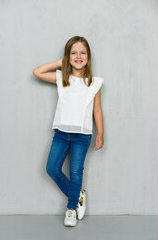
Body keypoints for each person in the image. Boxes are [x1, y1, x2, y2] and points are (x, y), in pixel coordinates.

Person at [32, 36, 104, 227]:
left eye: (82, 52)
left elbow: (97, 109)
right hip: (61, 133)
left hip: (82, 135)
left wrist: (101, 133)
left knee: (75, 172)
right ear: (67, 56)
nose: (78, 56)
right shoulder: (61, 77)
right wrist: (60, 63)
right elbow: (36, 72)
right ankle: (77, 194)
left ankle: (71, 209)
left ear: (88, 57)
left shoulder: (93, 82)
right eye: (73, 53)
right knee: (52, 169)